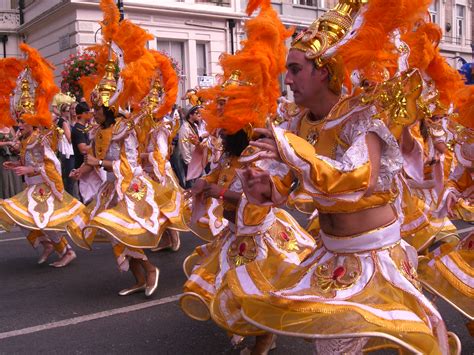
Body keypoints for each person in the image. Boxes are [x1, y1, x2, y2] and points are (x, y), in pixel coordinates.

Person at [221, 1, 458, 353]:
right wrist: (264, 186)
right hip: (332, 255)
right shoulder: (299, 124)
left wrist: (293, 152)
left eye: (295, 69)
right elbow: (289, 183)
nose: (287, 79)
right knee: (331, 343)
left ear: (323, 71)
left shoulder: (362, 116)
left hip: (374, 255)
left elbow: (356, 178)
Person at [179, 2, 314, 353]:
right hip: (234, 233)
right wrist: (206, 188)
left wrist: (212, 190)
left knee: (260, 291)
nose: (219, 118)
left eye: (227, 112)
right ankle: (251, 334)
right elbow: (222, 181)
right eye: (220, 110)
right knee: (226, 290)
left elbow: (256, 200)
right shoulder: (230, 151)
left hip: (258, 237)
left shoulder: (260, 151)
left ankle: (262, 341)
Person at [0, 43, 83, 268]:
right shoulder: (27, 140)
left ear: (31, 122)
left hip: (44, 187)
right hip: (32, 187)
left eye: (21, 121)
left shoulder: (42, 138)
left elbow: (53, 164)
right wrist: (15, 164)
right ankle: (47, 244)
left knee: (45, 221)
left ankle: (66, 251)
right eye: (18, 121)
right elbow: (28, 161)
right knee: (21, 219)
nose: (18, 125)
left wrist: (31, 170)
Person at [71, 101, 92, 201]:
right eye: (89, 112)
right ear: (83, 114)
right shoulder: (78, 130)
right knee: (86, 199)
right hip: (82, 168)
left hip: (89, 167)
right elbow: (83, 149)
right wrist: (98, 146)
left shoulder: (84, 128)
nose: (91, 114)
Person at [178, 104, 203, 188]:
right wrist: (189, 163)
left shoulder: (195, 126)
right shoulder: (185, 128)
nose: (199, 114)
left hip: (197, 162)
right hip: (190, 164)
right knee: (192, 187)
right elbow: (184, 147)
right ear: (190, 115)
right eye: (196, 113)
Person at [56, 103, 75, 195]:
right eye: (68, 110)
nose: (70, 112)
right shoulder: (63, 122)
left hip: (64, 150)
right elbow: (70, 139)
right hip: (67, 151)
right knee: (69, 176)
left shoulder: (65, 121)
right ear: (63, 112)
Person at [0, 125, 23, 199]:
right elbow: (10, 142)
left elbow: (15, 141)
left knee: (15, 181)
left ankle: (16, 202)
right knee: (4, 181)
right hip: (1, 159)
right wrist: (8, 143)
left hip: (13, 158)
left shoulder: (9, 127)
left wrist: (16, 145)